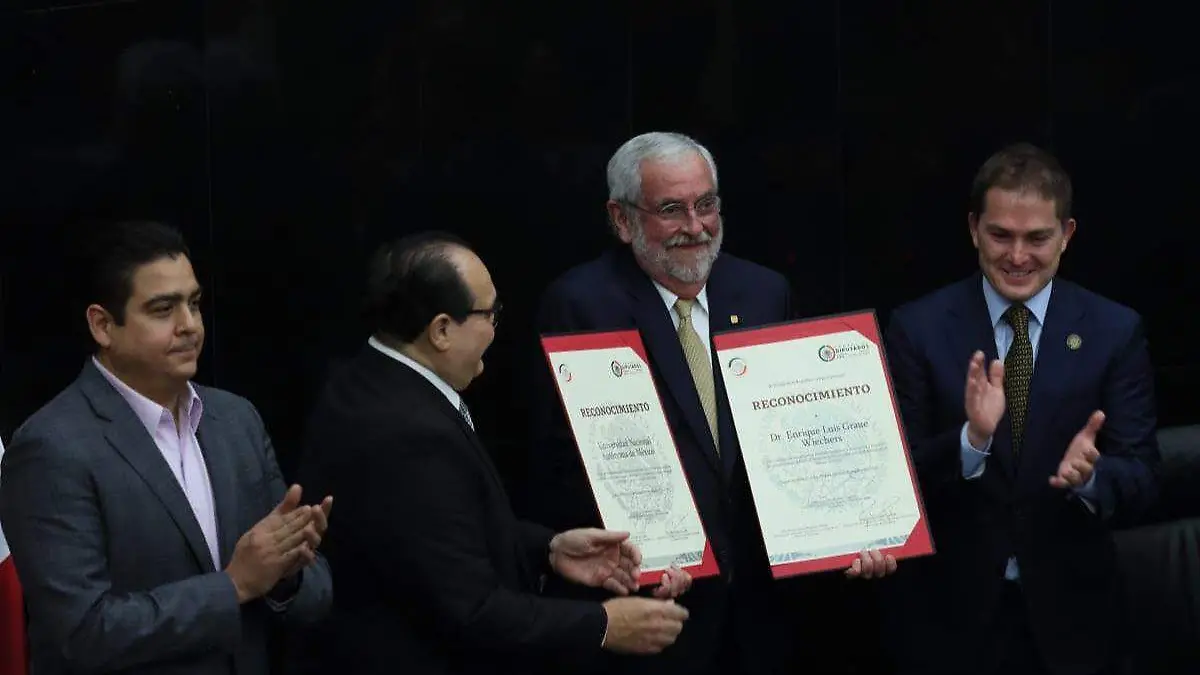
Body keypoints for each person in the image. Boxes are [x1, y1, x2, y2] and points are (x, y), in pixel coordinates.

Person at [527, 131, 896, 675]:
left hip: (762, 612)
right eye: (671, 210)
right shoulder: (582, 305)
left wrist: (851, 533)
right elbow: (566, 461)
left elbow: (800, 434)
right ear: (622, 219)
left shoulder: (763, 292)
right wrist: (643, 558)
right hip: (656, 612)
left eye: (706, 204)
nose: (696, 226)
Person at [291, 231, 693, 675]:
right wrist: (604, 624)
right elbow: (471, 610)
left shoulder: (365, 380)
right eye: (490, 313)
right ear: (442, 330)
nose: (497, 329)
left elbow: (434, 537)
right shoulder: (411, 435)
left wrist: (549, 548)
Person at [0, 220, 333, 675]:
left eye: (194, 304)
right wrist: (234, 585)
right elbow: (81, 632)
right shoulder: (50, 447)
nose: (189, 326)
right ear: (102, 325)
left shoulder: (236, 420)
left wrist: (285, 573)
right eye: (163, 310)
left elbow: (314, 595)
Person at [882, 142, 1160, 675]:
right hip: (950, 622)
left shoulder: (1114, 330)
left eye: (1036, 238)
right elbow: (897, 478)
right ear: (973, 229)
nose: (1016, 256)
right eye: (1000, 235)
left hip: (1074, 624)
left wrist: (1091, 477)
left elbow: (1144, 476)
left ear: (1066, 235)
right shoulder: (917, 328)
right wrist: (971, 442)